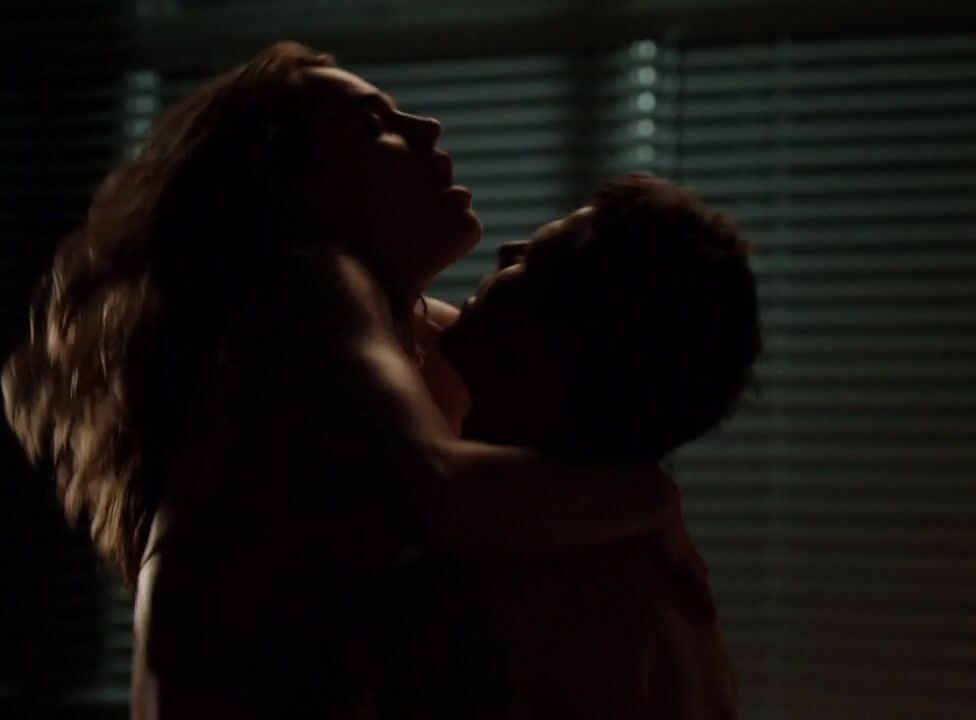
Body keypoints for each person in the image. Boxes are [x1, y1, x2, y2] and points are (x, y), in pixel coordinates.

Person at [1, 43, 686, 718]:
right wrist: (648, 492)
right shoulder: (304, 288)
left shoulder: (416, 332)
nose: (427, 127)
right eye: (369, 126)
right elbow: (440, 495)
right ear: (293, 192)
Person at [378, 174, 761, 719]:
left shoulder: (503, 589)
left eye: (532, 261)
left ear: (552, 352)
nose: (507, 250)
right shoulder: (646, 563)